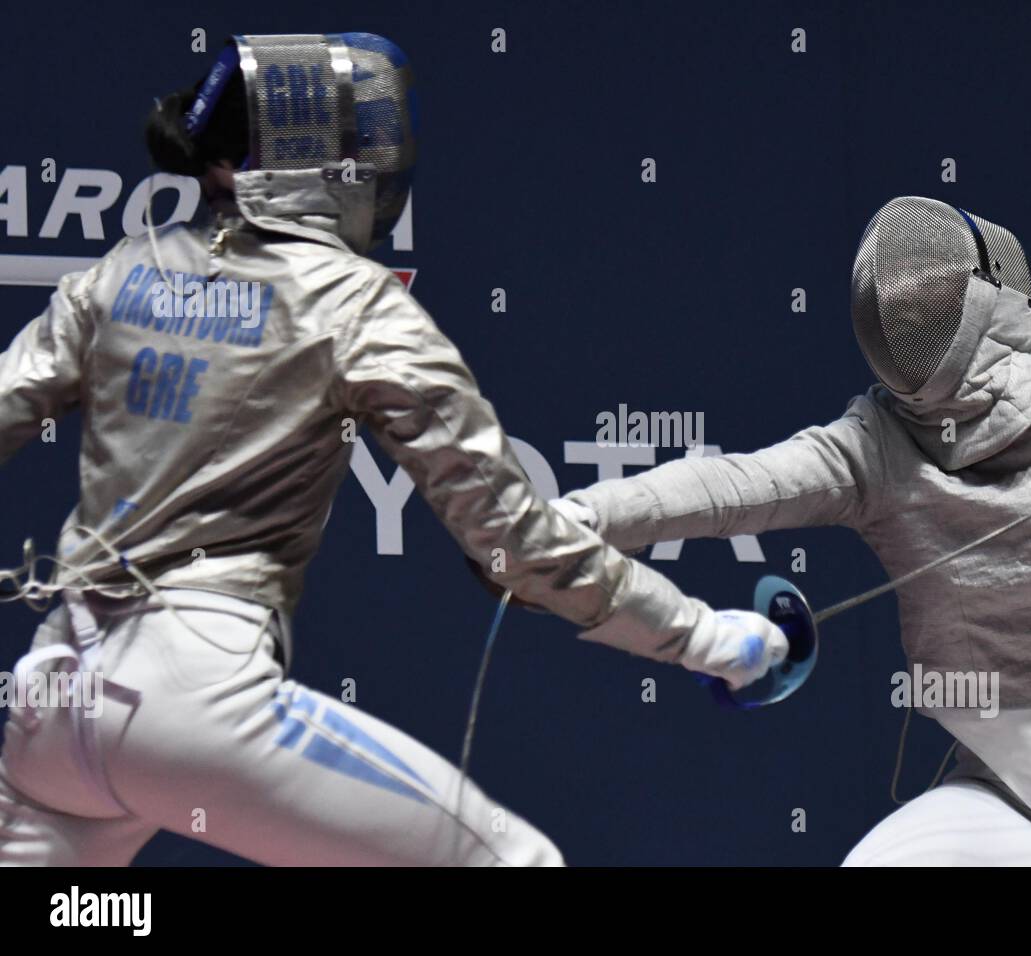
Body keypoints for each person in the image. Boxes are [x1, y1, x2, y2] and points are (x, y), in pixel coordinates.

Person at [0, 33, 787, 867]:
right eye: (351, 149)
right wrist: (702, 636)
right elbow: (512, 542)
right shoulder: (351, 299)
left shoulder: (121, 271)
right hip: (194, 699)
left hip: (50, 705)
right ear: (301, 164)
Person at [553, 196, 1031, 866]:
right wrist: (581, 519)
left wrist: (578, 518)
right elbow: (732, 487)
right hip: (1011, 786)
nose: (906, 317)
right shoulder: (877, 446)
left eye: (922, 307)